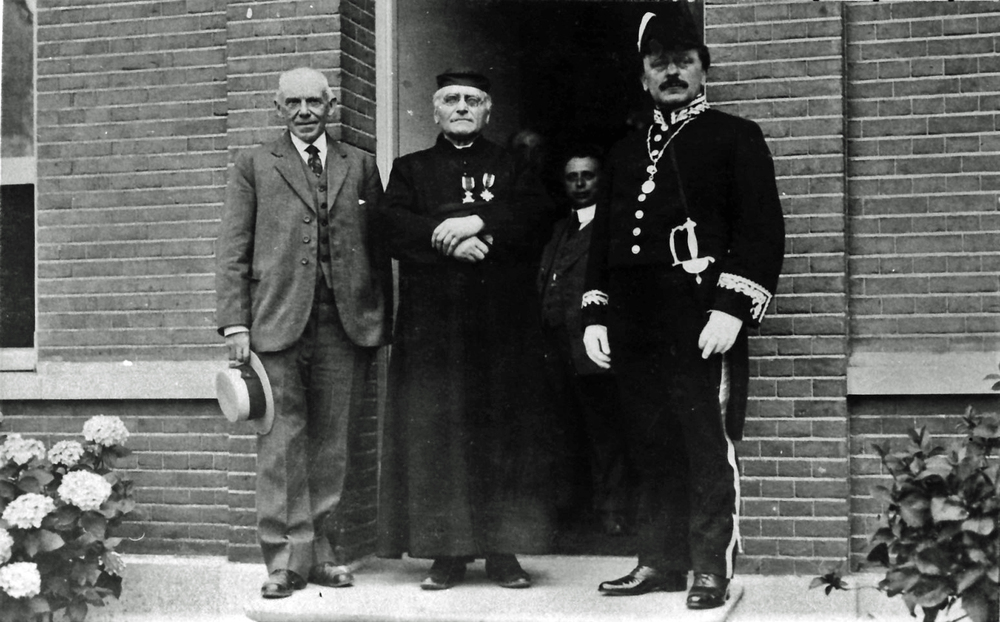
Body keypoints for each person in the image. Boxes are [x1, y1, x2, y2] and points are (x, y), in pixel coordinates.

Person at [582, 8, 785, 610]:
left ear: (703, 70)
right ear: (644, 76)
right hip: (635, 322)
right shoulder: (625, 151)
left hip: (700, 319)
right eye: (659, 63)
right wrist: (595, 313)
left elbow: (761, 231)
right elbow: (604, 240)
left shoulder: (735, 136)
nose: (671, 72)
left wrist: (732, 307)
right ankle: (659, 560)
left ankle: (708, 568)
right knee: (648, 442)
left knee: (704, 443)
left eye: (683, 62)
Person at [375, 69, 556, 591]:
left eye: (472, 100)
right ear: (434, 111)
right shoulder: (410, 169)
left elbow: (538, 215)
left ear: (487, 111)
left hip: (503, 327)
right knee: (439, 435)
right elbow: (389, 226)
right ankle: (446, 554)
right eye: (451, 99)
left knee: (504, 433)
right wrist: (445, 237)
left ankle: (504, 553)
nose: (461, 107)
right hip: (434, 331)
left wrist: (481, 224)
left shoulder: (513, 166)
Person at [215, 67, 392, 599]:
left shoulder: (360, 164)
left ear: (331, 104)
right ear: (277, 107)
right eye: (292, 103)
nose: (304, 112)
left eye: (314, 101)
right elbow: (233, 248)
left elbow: (378, 249)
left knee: (332, 444)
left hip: (345, 323)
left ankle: (322, 553)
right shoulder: (253, 164)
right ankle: (284, 560)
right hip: (275, 322)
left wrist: (379, 319)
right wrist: (236, 322)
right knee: (280, 445)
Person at [537, 144, 633, 537]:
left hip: (591, 344)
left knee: (604, 431)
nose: (579, 184)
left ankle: (613, 510)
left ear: (601, 180)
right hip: (555, 345)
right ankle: (569, 511)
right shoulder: (558, 229)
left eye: (587, 176)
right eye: (572, 177)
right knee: (562, 428)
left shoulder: (613, 226)